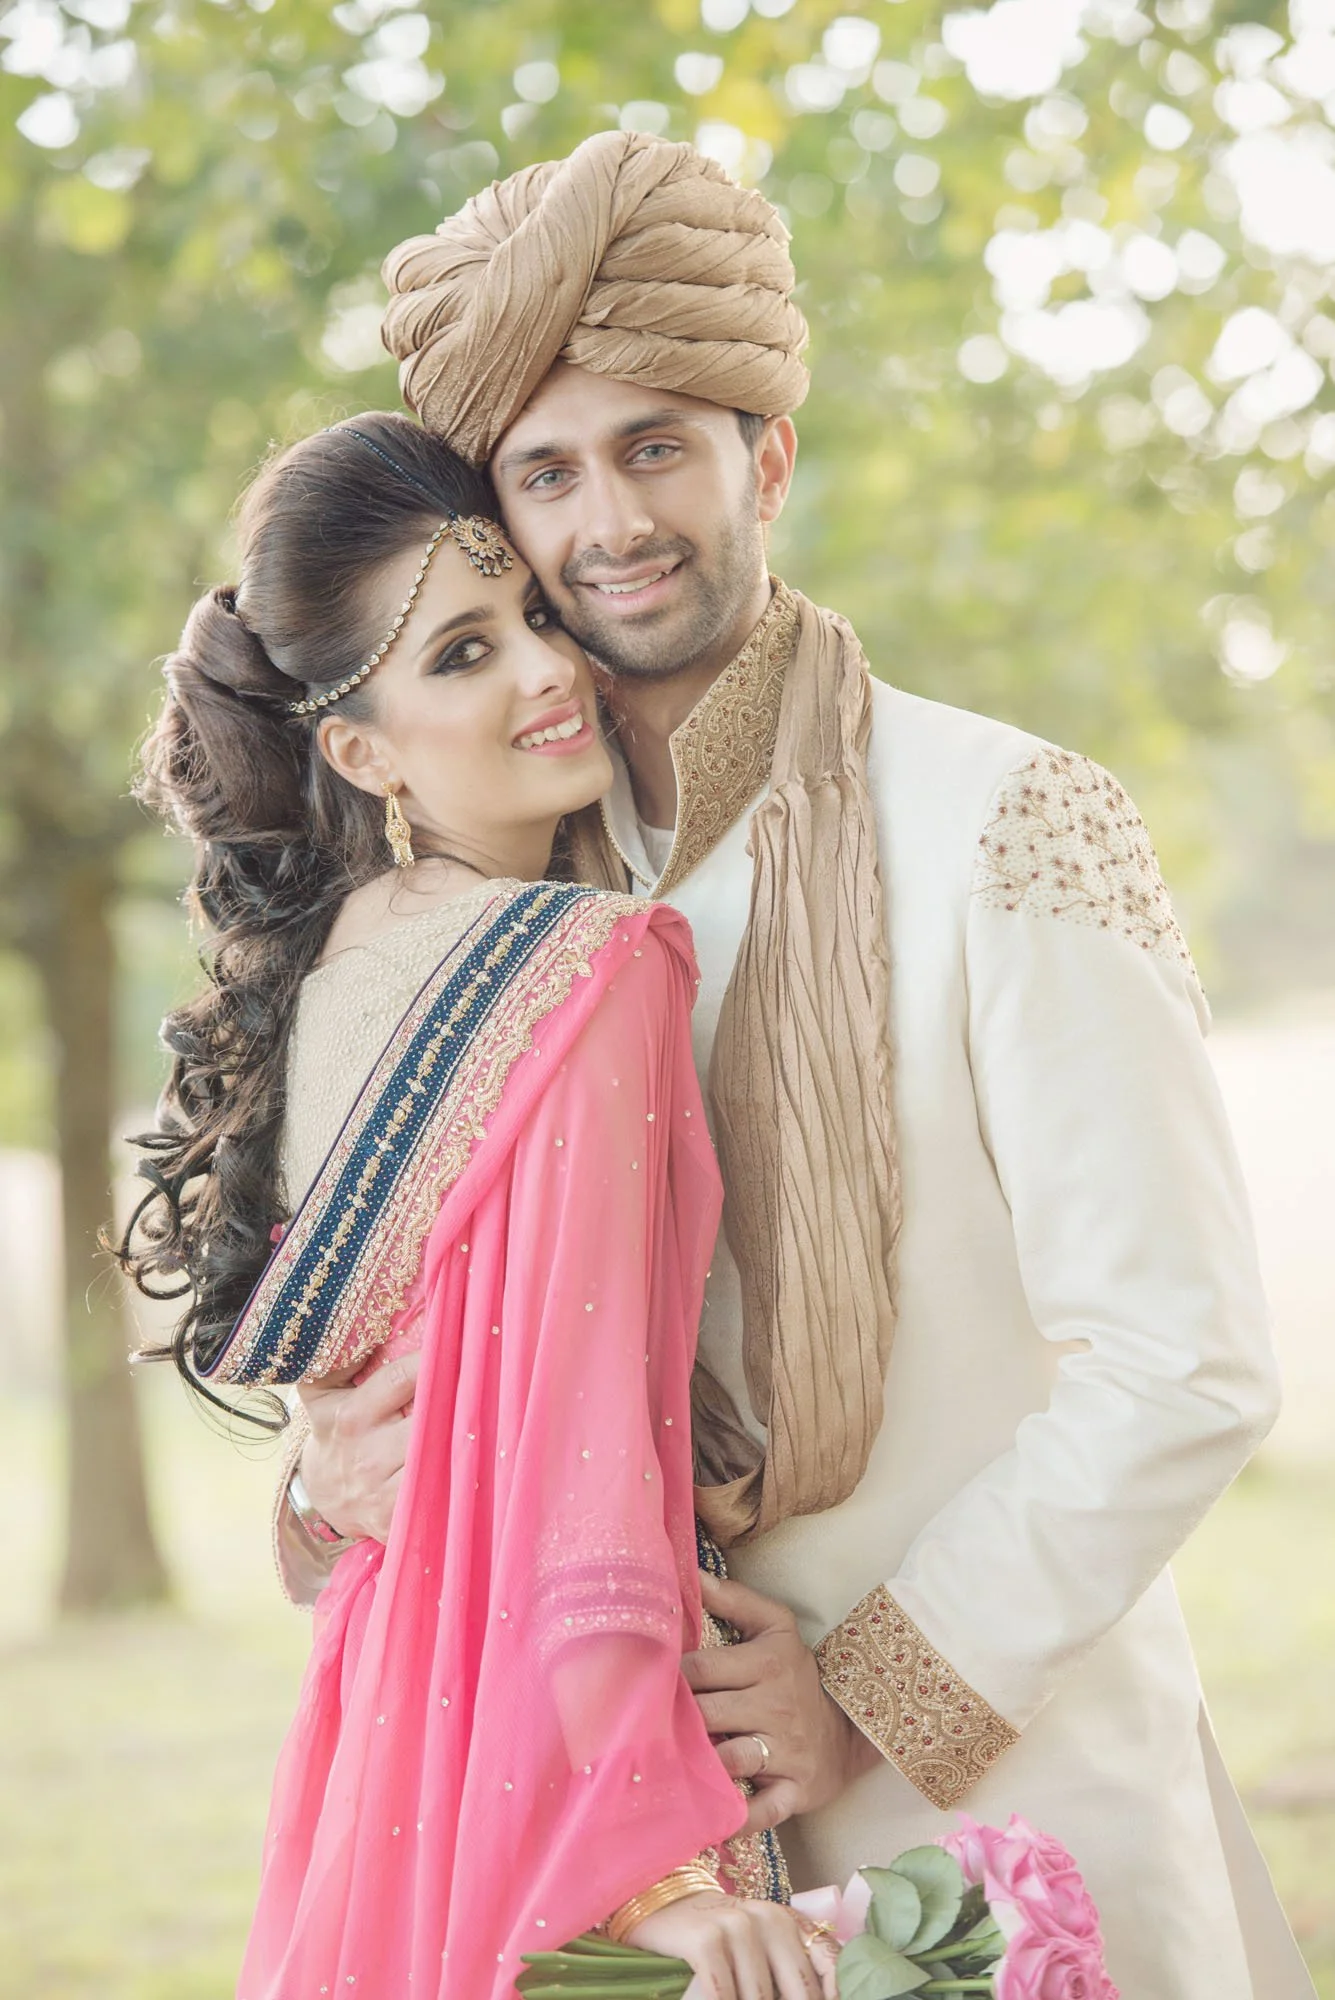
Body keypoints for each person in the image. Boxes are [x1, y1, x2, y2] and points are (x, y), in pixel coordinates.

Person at [286, 134, 1315, 1998]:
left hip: (1002, 1811)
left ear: (766, 456)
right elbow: (458, 1361)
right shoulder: (520, 893)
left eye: (659, 445)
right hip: (638, 1859)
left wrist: (871, 1688)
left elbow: (1185, 1359)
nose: (611, 519)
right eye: (549, 471)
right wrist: (328, 1484)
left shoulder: (1006, 819)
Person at [120, 412, 838, 2000]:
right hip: (552, 1754)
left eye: (526, 612)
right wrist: (642, 1860)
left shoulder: (332, 977)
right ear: (360, 750)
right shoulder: (585, 966)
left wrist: (320, 1501)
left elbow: (395, 1446)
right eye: (461, 654)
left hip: (387, 1715)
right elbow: (575, 1453)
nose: (543, 669)